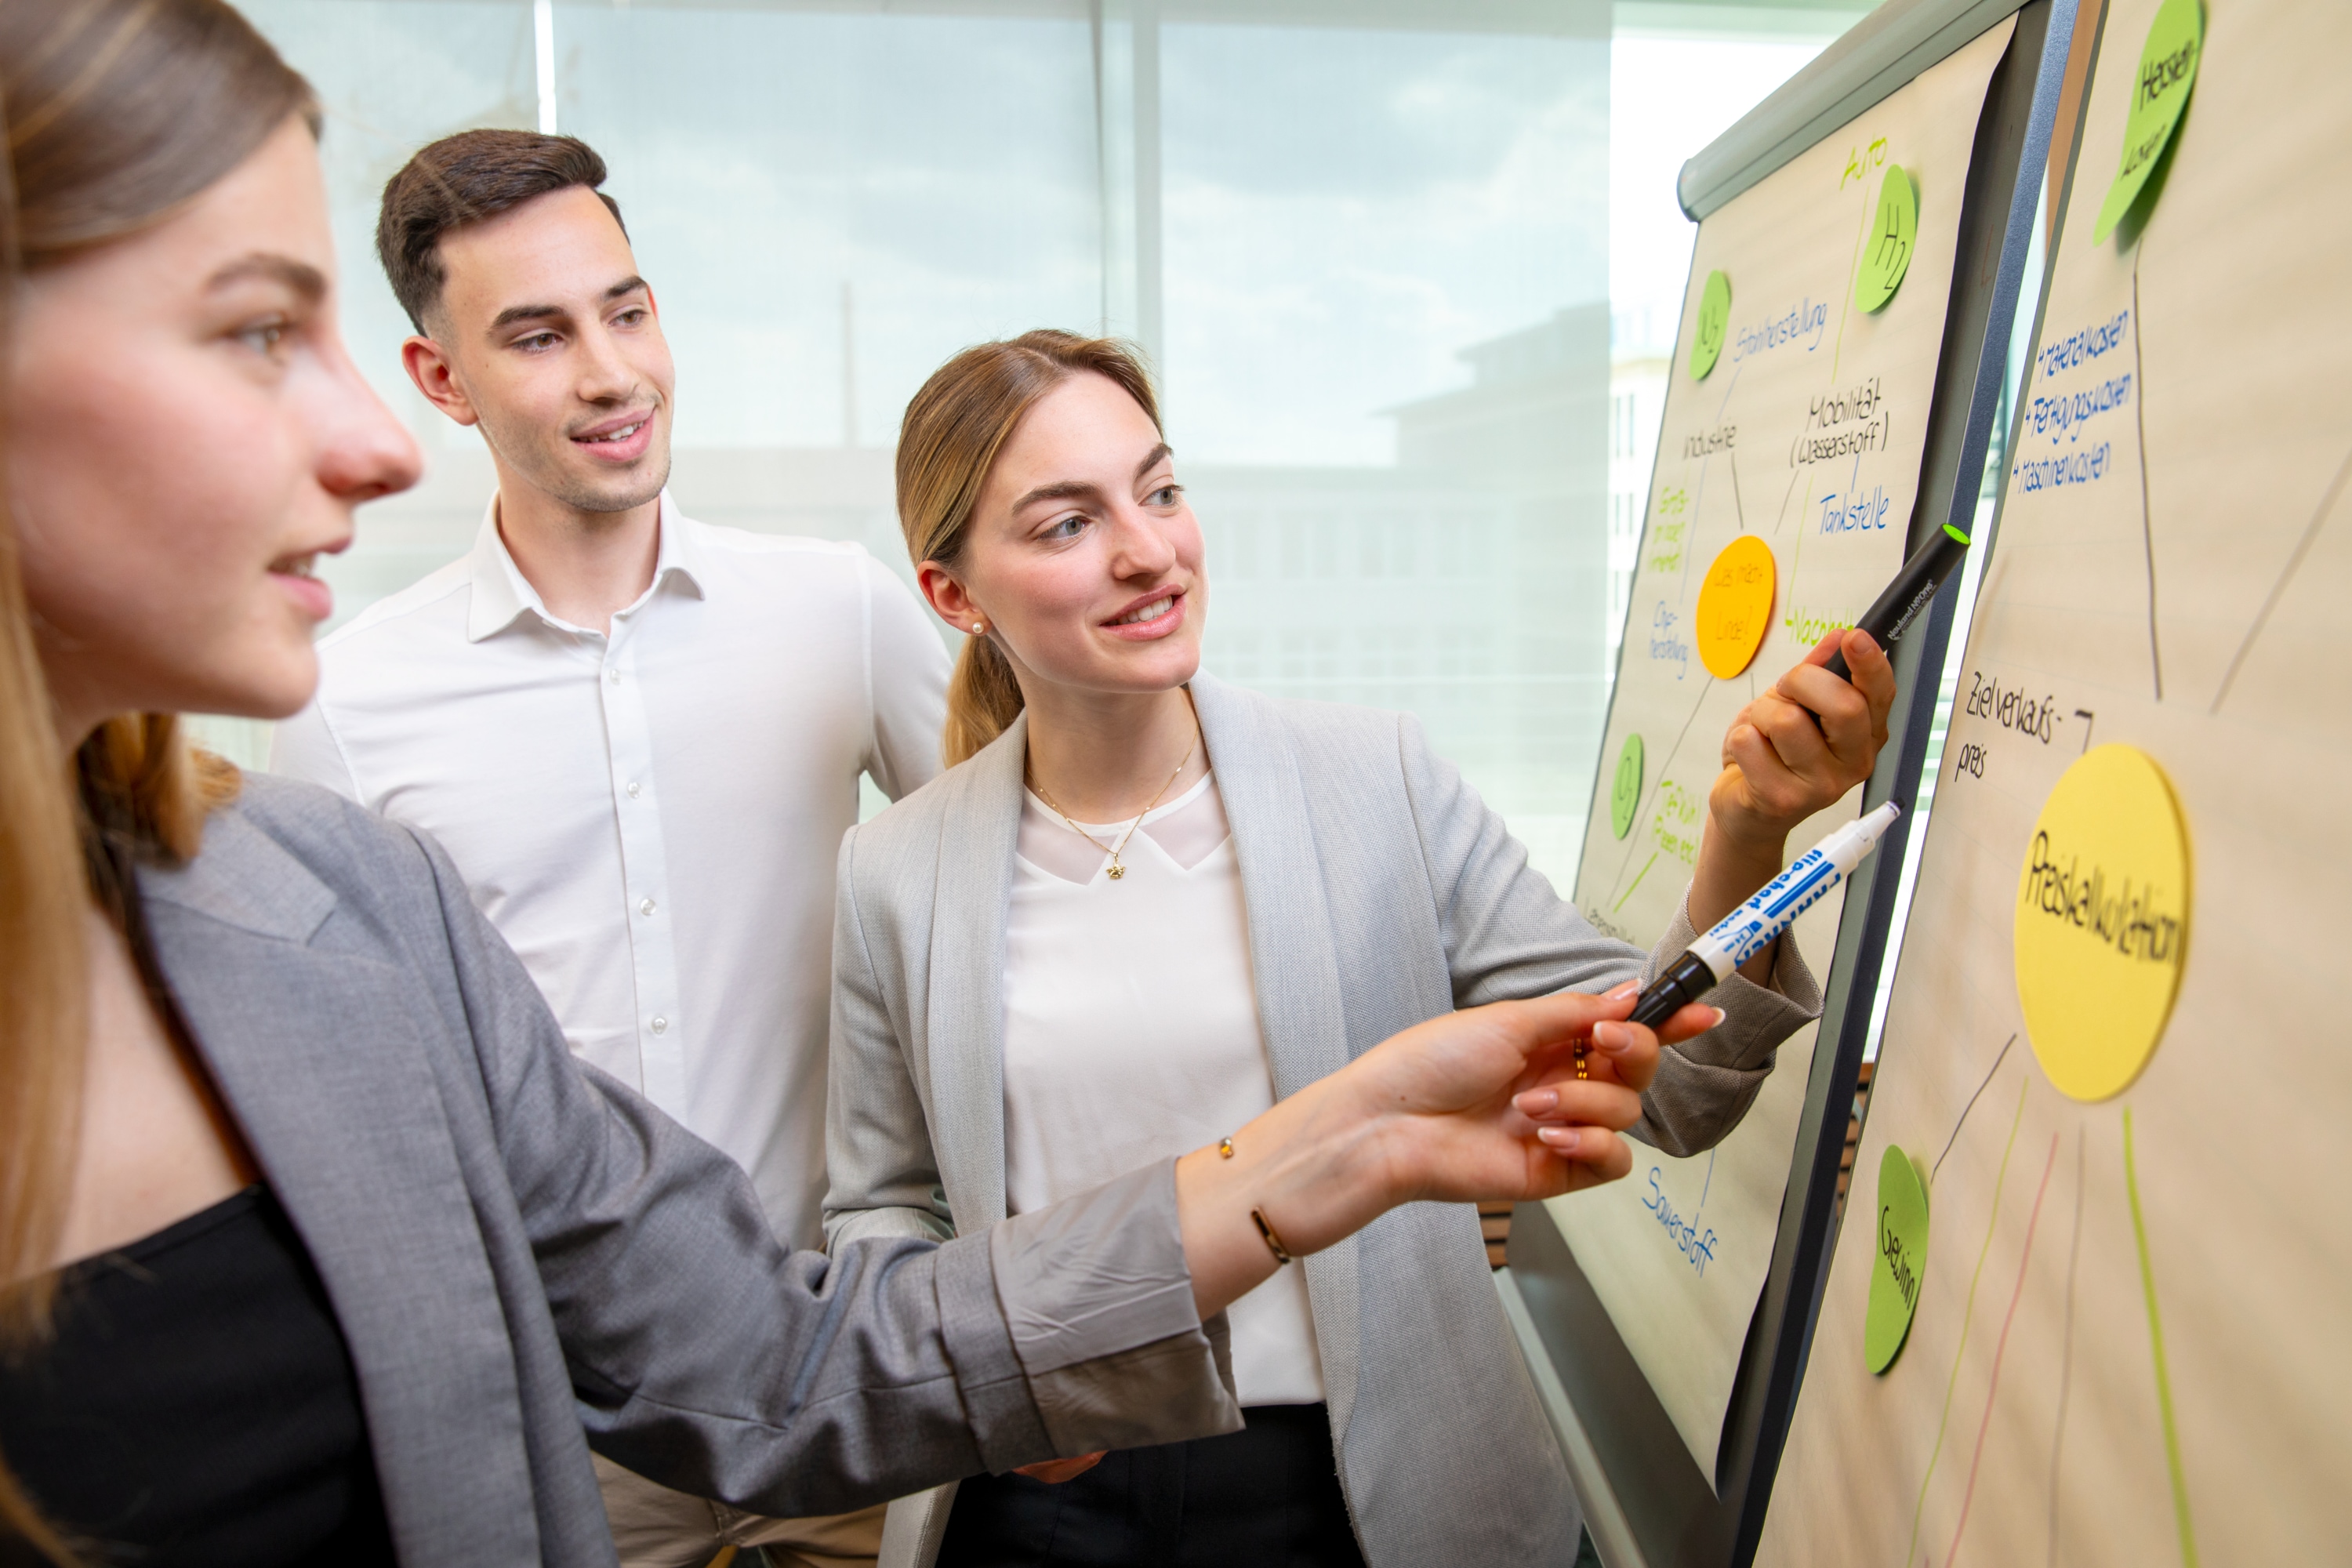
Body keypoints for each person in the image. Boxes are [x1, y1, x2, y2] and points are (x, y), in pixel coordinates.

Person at [0, 6, 1684, 1565]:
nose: (364, 447)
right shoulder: (354, 721)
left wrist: (1338, 1140)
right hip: (629, 1442)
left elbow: (780, 1330)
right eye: (249, 330)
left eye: (628, 306)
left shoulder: (350, 890)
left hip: (829, 1394)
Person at [825, 332, 1898, 1567]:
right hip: (1036, 1500)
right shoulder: (894, 871)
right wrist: (971, 1375)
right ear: (953, 594)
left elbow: (1674, 1087)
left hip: (1360, 1489)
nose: (1148, 550)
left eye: (1160, 490)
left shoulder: (1371, 782)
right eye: (1067, 525)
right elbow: (881, 1203)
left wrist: (1750, 827)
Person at [268, 126, 949, 1568]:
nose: (610, 372)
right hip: (573, 1426)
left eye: (625, 310)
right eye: (537, 334)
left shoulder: (837, 610)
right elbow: (352, 1112)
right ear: (441, 381)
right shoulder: (347, 704)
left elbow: (1037, 892)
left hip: (853, 1371)